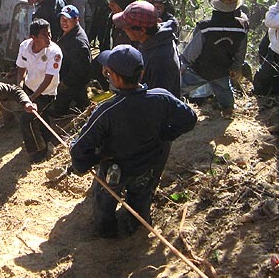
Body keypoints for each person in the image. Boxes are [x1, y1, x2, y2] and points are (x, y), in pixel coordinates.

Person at [69, 45, 197, 238]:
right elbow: (190, 118)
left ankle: (107, 233)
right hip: (147, 166)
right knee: (140, 201)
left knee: (105, 204)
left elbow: (79, 148)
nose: (107, 76)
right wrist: (165, 134)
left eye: (109, 73)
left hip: (115, 170)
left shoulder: (107, 111)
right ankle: (135, 230)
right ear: (142, 72)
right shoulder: (161, 97)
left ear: (117, 78)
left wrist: (88, 161)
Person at [180, 0, 248, 115]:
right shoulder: (241, 28)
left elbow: (193, 51)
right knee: (225, 95)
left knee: (178, 88)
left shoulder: (205, 27)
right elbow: (240, 51)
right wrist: (235, 67)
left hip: (200, 69)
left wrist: (184, 64)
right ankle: (228, 111)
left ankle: (169, 108)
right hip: (221, 71)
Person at [16, 19, 62, 163]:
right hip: (30, 88)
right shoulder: (24, 47)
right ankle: (48, 140)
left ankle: (39, 152)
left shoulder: (55, 53)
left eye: (49, 34)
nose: (49, 38)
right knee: (40, 118)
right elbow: (21, 69)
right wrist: (19, 87)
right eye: (45, 35)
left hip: (45, 93)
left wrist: (32, 98)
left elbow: (48, 79)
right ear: (33, 38)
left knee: (27, 120)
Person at [112, 0, 180, 97]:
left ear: (142, 30)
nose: (124, 29)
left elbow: (158, 102)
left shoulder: (160, 60)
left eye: (127, 27)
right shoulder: (156, 40)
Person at [51, 5, 91, 116]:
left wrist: (64, 84)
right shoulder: (66, 31)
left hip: (72, 82)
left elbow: (80, 70)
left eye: (67, 20)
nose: (64, 22)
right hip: (64, 73)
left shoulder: (78, 42)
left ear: (76, 20)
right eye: (62, 19)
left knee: (58, 112)